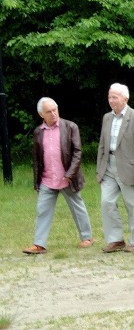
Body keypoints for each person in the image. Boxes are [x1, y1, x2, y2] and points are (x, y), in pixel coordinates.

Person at [22, 98, 94, 254]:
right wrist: (37, 181)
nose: (53, 113)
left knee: (77, 207)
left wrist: (69, 175)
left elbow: (77, 153)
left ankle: (87, 238)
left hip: (67, 178)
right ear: (41, 114)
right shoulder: (38, 132)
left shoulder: (70, 127)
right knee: (42, 210)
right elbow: (37, 158)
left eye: (55, 109)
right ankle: (39, 244)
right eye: (49, 111)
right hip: (47, 179)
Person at [96, 83, 134, 253]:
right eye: (109, 97)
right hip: (108, 167)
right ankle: (115, 239)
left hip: (128, 168)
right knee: (106, 202)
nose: (111, 100)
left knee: (132, 204)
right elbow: (102, 145)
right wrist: (100, 168)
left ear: (125, 99)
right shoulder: (107, 118)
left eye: (115, 97)